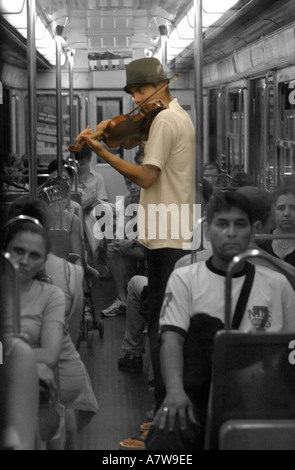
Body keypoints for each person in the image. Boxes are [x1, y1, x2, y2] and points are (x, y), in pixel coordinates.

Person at [76, 57, 195, 413]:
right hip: (174, 233)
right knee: (165, 322)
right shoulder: (177, 117)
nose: (137, 100)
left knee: (162, 327)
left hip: (166, 238)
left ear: (161, 85)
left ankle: (162, 412)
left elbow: (145, 177)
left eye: (141, 90)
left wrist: (102, 152)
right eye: (133, 93)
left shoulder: (164, 121)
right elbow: (134, 132)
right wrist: (108, 131)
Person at [149, 191, 295, 449]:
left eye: (240, 225)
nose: (231, 232)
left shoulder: (277, 284)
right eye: (222, 224)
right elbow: (171, 338)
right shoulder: (185, 278)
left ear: (253, 231)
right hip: (199, 393)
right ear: (207, 231)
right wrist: (174, 391)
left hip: (258, 397)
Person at [5, 197, 98, 449]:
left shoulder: (50, 295)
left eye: (34, 255)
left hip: (43, 388)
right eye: (18, 251)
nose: (24, 261)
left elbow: (50, 353)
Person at [101, 178, 146, 317]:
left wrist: (132, 242)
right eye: (128, 183)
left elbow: (158, 233)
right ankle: (123, 300)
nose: (132, 187)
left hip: (155, 245)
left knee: (122, 248)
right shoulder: (127, 201)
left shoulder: (153, 199)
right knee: (113, 248)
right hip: (139, 243)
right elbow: (123, 228)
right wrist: (120, 240)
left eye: (135, 182)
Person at [261, 187, 295, 267]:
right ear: (272, 211)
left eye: (293, 208)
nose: (287, 213)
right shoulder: (263, 240)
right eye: (281, 208)